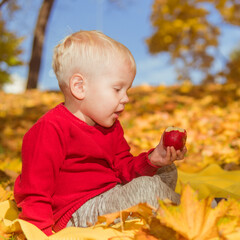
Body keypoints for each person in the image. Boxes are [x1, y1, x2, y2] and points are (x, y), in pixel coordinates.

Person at [14, 30, 186, 236]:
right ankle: (186, 213)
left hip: (111, 195)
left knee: (166, 170)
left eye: (127, 90)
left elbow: (123, 169)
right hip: (76, 213)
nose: (126, 98)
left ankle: (166, 213)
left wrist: (153, 160)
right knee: (147, 188)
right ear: (79, 87)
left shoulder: (111, 126)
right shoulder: (50, 129)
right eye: (117, 89)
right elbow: (34, 193)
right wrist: (41, 233)